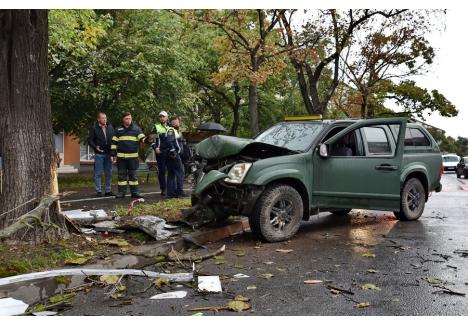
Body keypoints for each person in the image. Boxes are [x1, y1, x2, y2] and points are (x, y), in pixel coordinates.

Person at [111, 112, 147, 199]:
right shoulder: (118, 129)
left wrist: (148, 140)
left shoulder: (136, 129)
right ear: (123, 119)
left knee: (133, 176)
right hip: (121, 158)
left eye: (130, 118)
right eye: (127, 118)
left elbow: (143, 139)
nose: (129, 120)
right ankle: (121, 193)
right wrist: (113, 154)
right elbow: (114, 143)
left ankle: (135, 192)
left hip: (133, 158)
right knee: (121, 176)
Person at [87, 112, 114, 197]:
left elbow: (114, 140)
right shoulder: (94, 128)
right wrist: (95, 147)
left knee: (108, 173)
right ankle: (98, 191)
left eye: (105, 118)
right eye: (103, 118)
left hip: (109, 154)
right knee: (98, 173)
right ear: (98, 119)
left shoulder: (110, 127)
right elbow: (90, 140)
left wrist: (114, 153)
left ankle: (108, 191)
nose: (105, 119)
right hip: (99, 154)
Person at [150, 111, 170, 196]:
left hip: (170, 152)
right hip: (160, 152)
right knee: (162, 171)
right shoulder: (156, 127)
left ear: (167, 117)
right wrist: (155, 148)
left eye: (163, 116)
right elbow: (151, 140)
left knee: (171, 171)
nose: (162, 118)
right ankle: (163, 189)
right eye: (160, 117)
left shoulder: (170, 127)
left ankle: (171, 188)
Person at [169, 116, 187, 197]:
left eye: (178, 122)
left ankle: (171, 193)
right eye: (176, 122)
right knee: (180, 173)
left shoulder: (177, 130)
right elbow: (169, 141)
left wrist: (183, 141)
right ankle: (179, 191)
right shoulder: (171, 130)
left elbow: (177, 141)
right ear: (172, 123)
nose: (177, 123)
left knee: (172, 173)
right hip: (174, 155)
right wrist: (173, 151)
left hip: (176, 154)